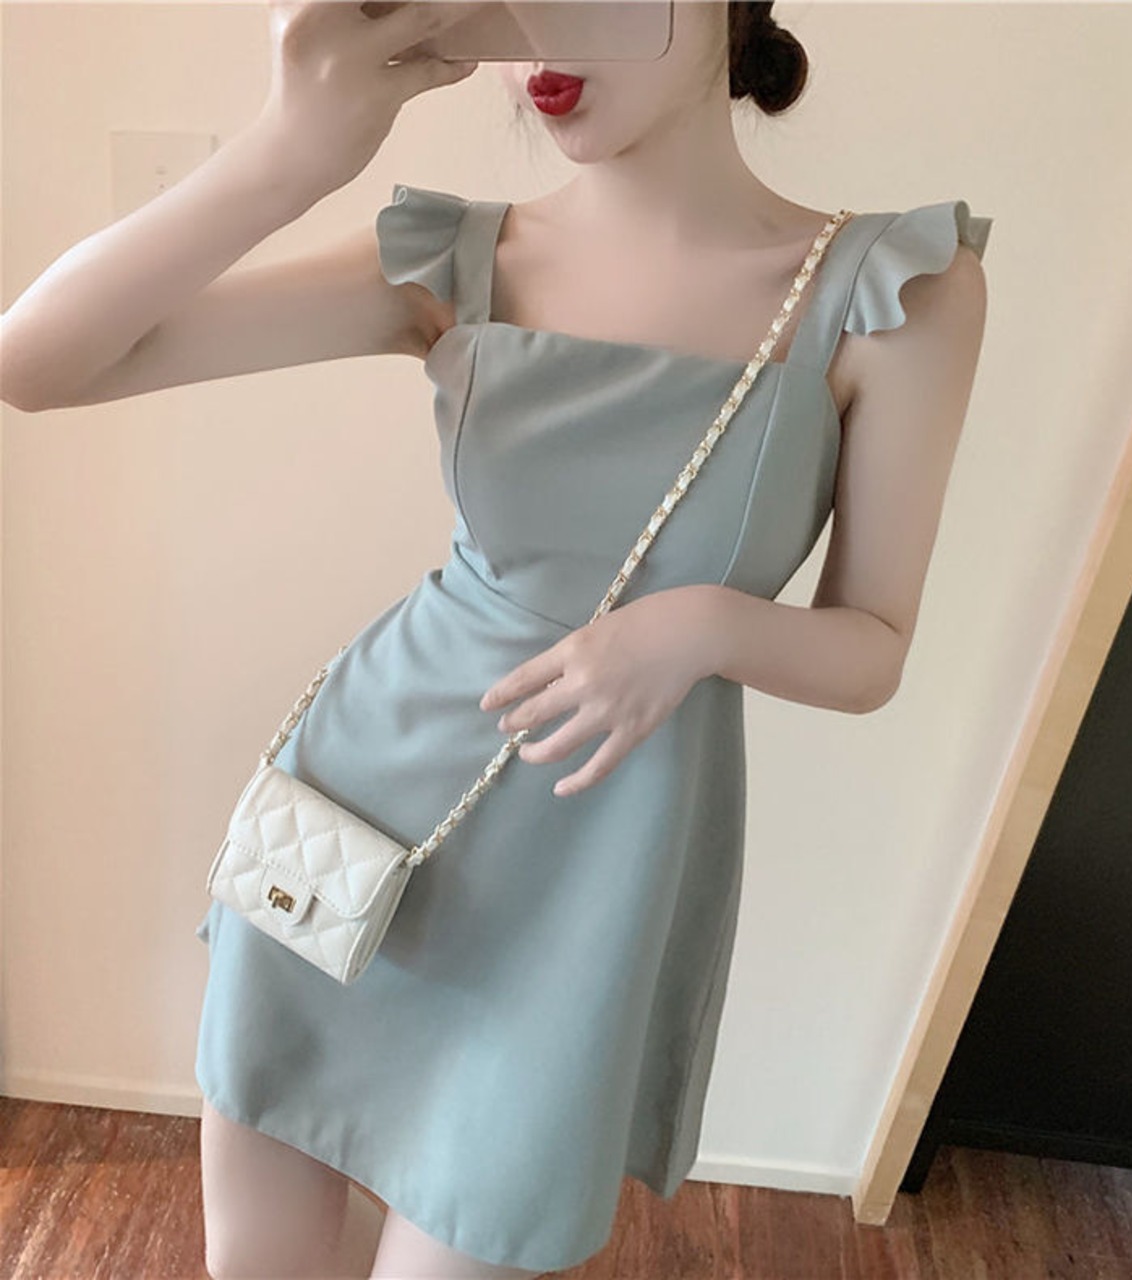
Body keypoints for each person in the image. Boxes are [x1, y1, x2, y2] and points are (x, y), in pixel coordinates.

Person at [0, 1, 992, 1275]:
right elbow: (37, 364)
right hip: (357, 815)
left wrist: (696, 626)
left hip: (587, 891)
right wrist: (291, 151)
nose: (539, 40)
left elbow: (871, 646)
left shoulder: (891, 291)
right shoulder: (455, 257)